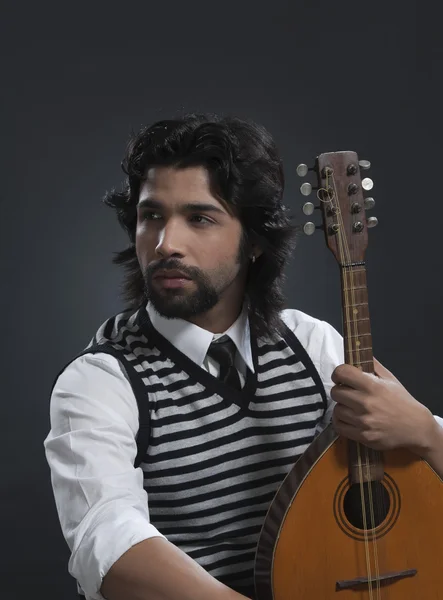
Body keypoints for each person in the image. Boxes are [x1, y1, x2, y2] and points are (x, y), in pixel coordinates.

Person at [44, 114, 443, 600]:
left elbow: (406, 467)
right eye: (152, 216)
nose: (166, 243)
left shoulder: (310, 343)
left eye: (199, 218)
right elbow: (106, 542)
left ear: (254, 241)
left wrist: (426, 433)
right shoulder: (101, 379)